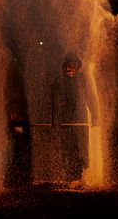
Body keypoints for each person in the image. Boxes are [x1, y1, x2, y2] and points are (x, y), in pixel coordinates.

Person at [50, 53, 97, 187]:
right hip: (67, 121)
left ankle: (81, 175)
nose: (69, 70)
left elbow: (90, 99)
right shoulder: (59, 81)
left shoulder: (82, 81)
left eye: (72, 68)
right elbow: (55, 103)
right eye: (67, 67)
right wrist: (55, 121)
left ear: (77, 67)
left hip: (79, 119)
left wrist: (94, 115)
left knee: (81, 147)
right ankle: (72, 175)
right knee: (69, 148)